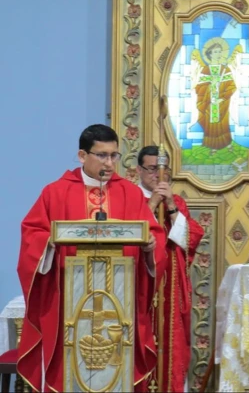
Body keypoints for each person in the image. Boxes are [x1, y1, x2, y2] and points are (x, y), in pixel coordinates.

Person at [16, 124, 167, 392]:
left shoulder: (129, 193)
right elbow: (32, 234)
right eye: (102, 155)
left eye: (114, 156)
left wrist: (149, 247)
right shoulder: (56, 192)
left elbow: (152, 235)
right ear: (82, 156)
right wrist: (49, 243)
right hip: (70, 301)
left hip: (121, 299)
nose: (109, 163)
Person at [136, 146, 204, 392]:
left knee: (171, 349)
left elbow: (189, 240)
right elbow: (128, 237)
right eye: (153, 169)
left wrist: (171, 206)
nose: (158, 175)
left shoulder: (177, 203)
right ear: (139, 170)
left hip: (170, 290)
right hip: (139, 287)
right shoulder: (129, 198)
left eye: (163, 170)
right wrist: (152, 203)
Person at [193, 37, 237, 151]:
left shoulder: (225, 69)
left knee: (223, 124)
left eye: (220, 51)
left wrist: (222, 98)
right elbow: (200, 87)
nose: (218, 54)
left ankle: (227, 144)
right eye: (215, 52)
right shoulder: (206, 70)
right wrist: (210, 87)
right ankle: (212, 146)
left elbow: (232, 86)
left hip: (222, 102)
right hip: (209, 101)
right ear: (210, 54)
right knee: (211, 123)